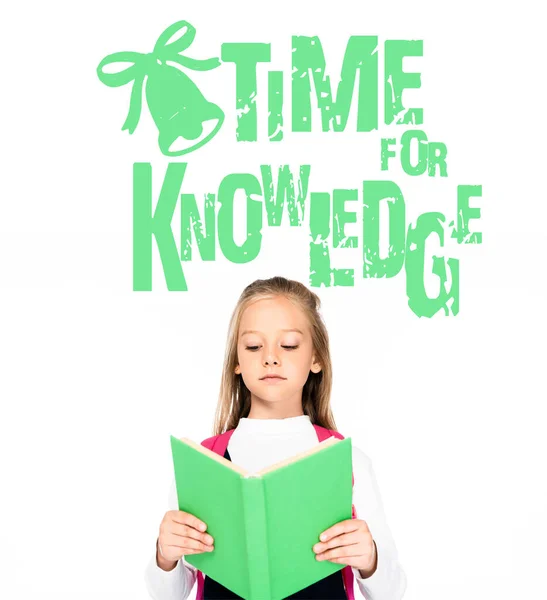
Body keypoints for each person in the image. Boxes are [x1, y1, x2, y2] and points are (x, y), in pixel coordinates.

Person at [144, 276, 407, 599]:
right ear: (237, 361)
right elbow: (169, 593)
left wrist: (370, 559)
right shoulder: (202, 461)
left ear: (316, 358)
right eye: (254, 346)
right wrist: (165, 555)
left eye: (289, 345)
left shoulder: (347, 460)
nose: (270, 357)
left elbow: (392, 591)